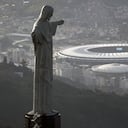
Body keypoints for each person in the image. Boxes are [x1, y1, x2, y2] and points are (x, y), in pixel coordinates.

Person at [31, 5, 64, 114]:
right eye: (50, 14)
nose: (51, 16)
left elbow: (48, 26)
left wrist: (57, 23)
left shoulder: (44, 24)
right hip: (42, 57)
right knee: (43, 80)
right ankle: (41, 109)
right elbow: (35, 34)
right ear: (45, 14)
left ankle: (47, 107)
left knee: (47, 81)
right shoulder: (38, 26)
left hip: (47, 56)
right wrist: (38, 35)